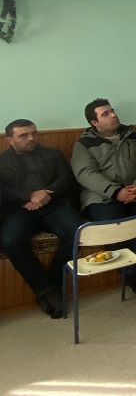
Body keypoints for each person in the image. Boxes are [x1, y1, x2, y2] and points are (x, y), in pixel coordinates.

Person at [70, 99, 136, 297]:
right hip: (103, 196)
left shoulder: (134, 137)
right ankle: (134, 272)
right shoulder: (83, 144)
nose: (113, 115)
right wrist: (115, 192)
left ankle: (133, 269)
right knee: (112, 226)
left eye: (112, 111)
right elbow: (85, 173)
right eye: (105, 114)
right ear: (94, 122)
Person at [0, 119, 83, 318]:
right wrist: (28, 195)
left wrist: (46, 195)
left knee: (79, 232)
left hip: (53, 205)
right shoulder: (1, 161)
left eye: (34, 133)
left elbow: (66, 179)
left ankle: (53, 284)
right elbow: (2, 190)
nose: (31, 138)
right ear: (10, 140)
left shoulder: (52, 154)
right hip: (19, 210)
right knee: (11, 241)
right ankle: (44, 289)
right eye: (24, 135)